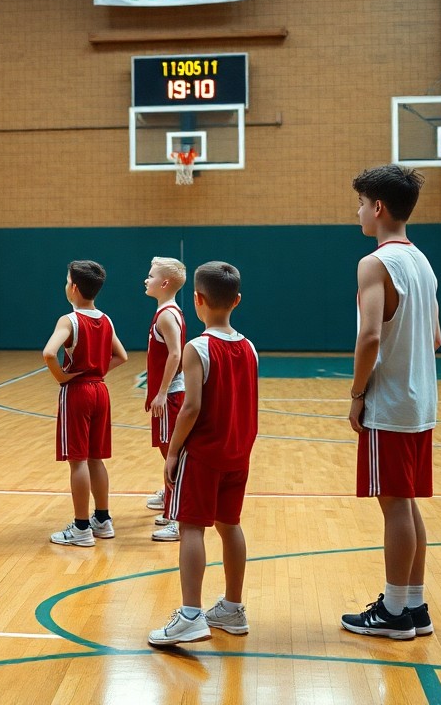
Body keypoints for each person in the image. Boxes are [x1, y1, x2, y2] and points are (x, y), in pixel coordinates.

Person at [341, 164, 440, 640]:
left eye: (361, 204)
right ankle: (414, 605)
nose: (358, 212)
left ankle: (394, 611)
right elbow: (436, 338)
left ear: (378, 207)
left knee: (395, 505)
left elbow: (369, 337)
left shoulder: (375, 263)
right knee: (407, 503)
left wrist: (358, 392)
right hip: (421, 402)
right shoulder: (422, 261)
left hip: (391, 402)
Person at [148, 262, 258, 646]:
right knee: (230, 525)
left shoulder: (197, 347)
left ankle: (191, 615)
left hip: (204, 454)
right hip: (237, 454)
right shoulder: (250, 347)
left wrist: (173, 452)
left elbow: (191, 407)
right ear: (237, 300)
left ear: (197, 299)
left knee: (191, 527)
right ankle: (233, 607)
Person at [43, 260, 128, 547]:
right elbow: (122, 356)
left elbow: (49, 353)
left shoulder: (69, 320)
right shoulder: (106, 320)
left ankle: (81, 528)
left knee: (77, 461)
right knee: (95, 458)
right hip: (101, 390)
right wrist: (98, 371)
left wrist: (62, 377)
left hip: (77, 392)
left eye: (67, 280)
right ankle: (102, 520)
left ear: (74, 288)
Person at [142, 257, 188, 542]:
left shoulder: (166, 316)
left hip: (170, 395)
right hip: (167, 394)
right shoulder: (167, 311)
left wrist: (161, 392)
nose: (146, 280)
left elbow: (175, 354)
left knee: (173, 454)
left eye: (151, 275)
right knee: (168, 452)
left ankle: (178, 515)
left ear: (165, 283)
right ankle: (170, 497)